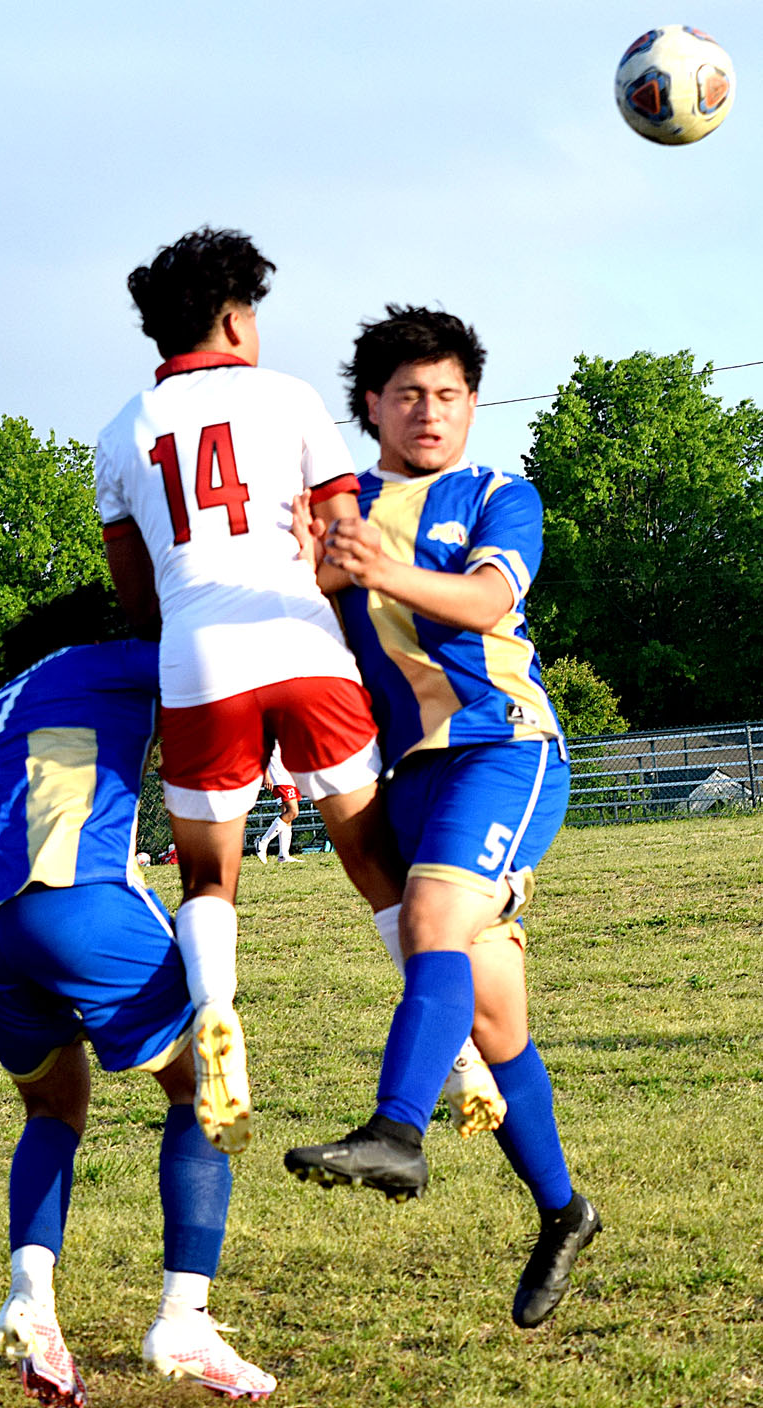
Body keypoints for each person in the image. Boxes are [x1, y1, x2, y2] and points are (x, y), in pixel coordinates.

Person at [285, 306, 600, 1330]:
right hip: (406, 774)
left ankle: (395, 1130)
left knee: (430, 922)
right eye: (409, 394)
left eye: (450, 394)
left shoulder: (499, 494)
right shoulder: (332, 509)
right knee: (495, 1018)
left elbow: (481, 602)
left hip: (504, 748)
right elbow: (307, 628)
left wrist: (370, 567)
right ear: (369, 405)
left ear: (473, 403)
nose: (431, 412)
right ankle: (564, 1212)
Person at [0, 588, 276, 1405]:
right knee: (207, 1086)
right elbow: (238, 672)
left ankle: (32, 1300)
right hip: (74, 895)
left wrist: (10, 969)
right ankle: (187, 1317)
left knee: (52, 1109)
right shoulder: (124, 662)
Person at [94, 227, 406, 1155]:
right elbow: (344, 544)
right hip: (299, 637)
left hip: (197, 657)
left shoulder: (121, 432)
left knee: (207, 873)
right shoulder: (291, 397)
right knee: (369, 853)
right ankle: (461, 1048)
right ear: (234, 318)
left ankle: (215, 1005)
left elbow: (137, 593)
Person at [255, 741, 303, 864]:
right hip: (279, 777)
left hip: (288, 776)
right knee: (293, 812)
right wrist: (266, 775)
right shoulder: (272, 727)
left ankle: (283, 855)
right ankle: (263, 841)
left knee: (287, 814)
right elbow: (262, 751)